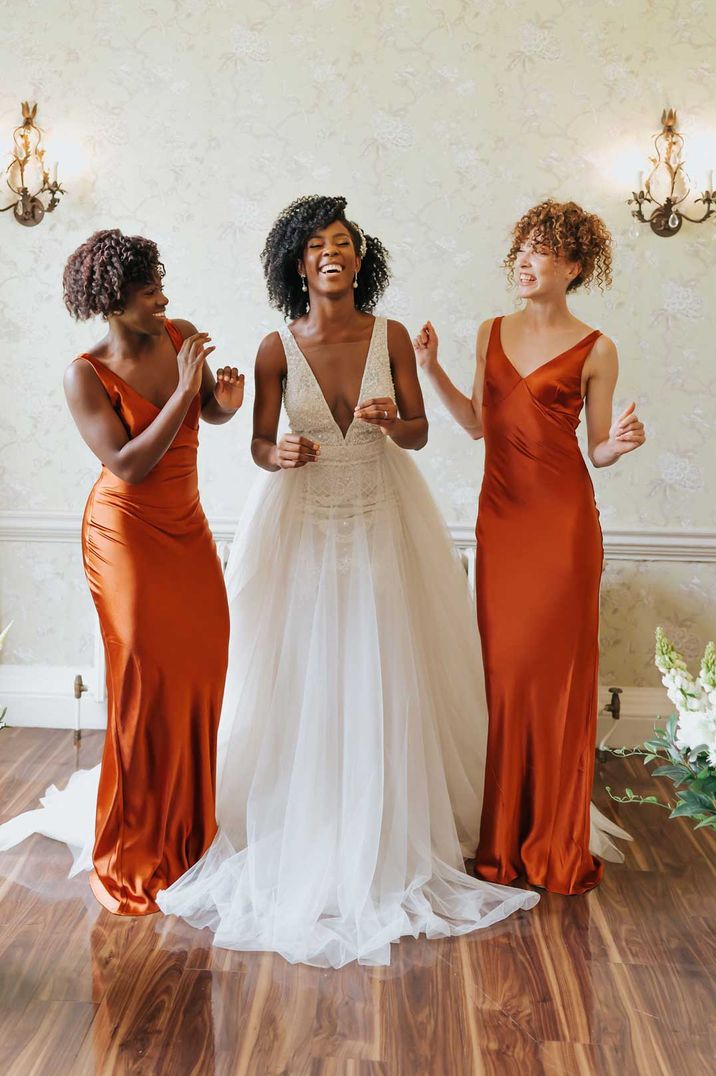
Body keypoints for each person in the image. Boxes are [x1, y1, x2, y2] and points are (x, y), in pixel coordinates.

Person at [156, 195, 538, 965]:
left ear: (360, 261)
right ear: (298, 263)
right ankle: (301, 825)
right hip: (297, 524)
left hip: (381, 517)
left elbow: (421, 432)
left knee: (383, 664)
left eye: (344, 243)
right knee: (296, 672)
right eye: (317, 244)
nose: (331, 252)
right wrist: (278, 454)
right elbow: (261, 442)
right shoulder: (273, 349)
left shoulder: (390, 336)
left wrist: (391, 420)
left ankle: (388, 828)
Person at [0, 229, 244, 914]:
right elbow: (130, 464)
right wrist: (187, 388)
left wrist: (221, 400)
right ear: (112, 300)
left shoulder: (180, 334)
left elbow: (202, 420)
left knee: (199, 671)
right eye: (148, 291)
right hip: (125, 536)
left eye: (162, 284)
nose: (163, 298)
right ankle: (134, 844)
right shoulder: (85, 373)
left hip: (187, 528)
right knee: (143, 682)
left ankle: (189, 832)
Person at [414, 200, 644, 895]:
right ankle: (505, 840)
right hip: (502, 524)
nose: (525, 259)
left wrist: (619, 443)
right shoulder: (489, 331)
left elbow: (597, 450)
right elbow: (479, 425)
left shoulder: (597, 347)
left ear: (573, 266)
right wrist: (432, 369)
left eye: (542, 250)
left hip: (564, 527)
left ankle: (552, 841)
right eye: (522, 246)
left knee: (556, 682)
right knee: (505, 678)